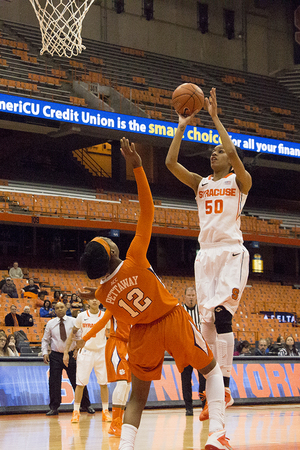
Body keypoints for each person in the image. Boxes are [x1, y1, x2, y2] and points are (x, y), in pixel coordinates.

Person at [78, 138, 231, 450]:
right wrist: (136, 165)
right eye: (106, 240)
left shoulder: (103, 292)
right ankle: (217, 434)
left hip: (141, 334)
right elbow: (147, 207)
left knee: (138, 396)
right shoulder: (134, 256)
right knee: (213, 371)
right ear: (110, 251)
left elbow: (119, 313)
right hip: (171, 318)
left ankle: (126, 447)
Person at [165, 87, 252, 420]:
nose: (214, 154)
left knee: (223, 315)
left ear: (229, 159)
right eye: (212, 152)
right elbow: (171, 162)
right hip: (206, 255)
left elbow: (231, 148)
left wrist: (215, 119)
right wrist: (181, 125)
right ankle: (215, 390)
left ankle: (227, 385)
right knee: (206, 326)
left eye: (219, 152)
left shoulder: (240, 181)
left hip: (231, 251)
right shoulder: (201, 184)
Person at [77, 309, 132, 437]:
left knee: (127, 386)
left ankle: (119, 423)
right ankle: (115, 423)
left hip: (131, 346)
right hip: (117, 344)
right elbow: (101, 323)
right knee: (122, 383)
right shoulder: (114, 304)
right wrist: (85, 338)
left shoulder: (136, 306)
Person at [63, 297, 111, 424]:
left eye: (97, 299)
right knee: (80, 383)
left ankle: (105, 411)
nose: (94, 301)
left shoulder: (105, 316)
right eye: (92, 299)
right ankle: (76, 411)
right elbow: (72, 333)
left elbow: (112, 333)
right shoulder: (81, 316)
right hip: (86, 352)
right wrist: (66, 351)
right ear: (87, 302)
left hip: (101, 352)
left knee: (103, 383)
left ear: (100, 301)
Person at [41, 301, 93, 416]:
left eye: (62, 307)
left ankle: (86, 405)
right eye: (57, 308)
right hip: (55, 355)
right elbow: (45, 339)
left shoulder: (73, 321)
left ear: (65, 308)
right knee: (54, 382)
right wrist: (45, 352)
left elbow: (80, 336)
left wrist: (76, 350)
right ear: (54, 310)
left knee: (78, 380)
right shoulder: (50, 323)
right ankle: (54, 407)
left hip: (71, 355)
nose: (59, 309)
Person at [181, 286, 206, 416]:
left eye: (193, 295)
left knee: (203, 380)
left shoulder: (201, 310)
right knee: (186, 381)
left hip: (199, 350)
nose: (191, 298)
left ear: (196, 296)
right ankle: (188, 408)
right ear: (185, 296)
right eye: (189, 295)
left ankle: (204, 406)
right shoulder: (180, 310)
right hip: (185, 351)